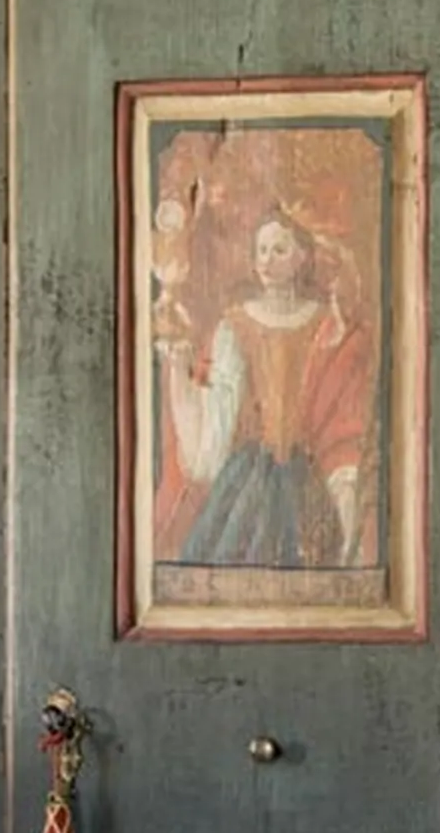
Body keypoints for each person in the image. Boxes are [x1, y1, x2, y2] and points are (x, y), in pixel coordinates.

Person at [158, 206, 379, 572]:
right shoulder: (236, 324)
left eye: (279, 250)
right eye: (261, 250)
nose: (267, 261)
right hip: (248, 474)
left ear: (302, 257)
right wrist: (180, 371)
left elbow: (338, 404)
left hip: (303, 474)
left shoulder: (325, 322)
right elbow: (220, 404)